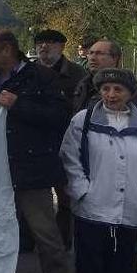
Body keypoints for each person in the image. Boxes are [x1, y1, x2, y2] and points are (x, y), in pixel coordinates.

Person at [0, 28, 72, 273]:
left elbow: (60, 116)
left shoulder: (42, 77)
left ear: (7, 50)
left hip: (31, 172)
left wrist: (19, 105)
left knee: (47, 240)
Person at [60, 68, 137, 273]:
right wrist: (82, 191)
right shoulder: (83, 120)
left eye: (118, 89)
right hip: (92, 212)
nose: (111, 94)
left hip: (130, 213)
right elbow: (70, 157)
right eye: (105, 89)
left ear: (130, 93)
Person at [34, 29, 87, 250]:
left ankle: (64, 241)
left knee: (65, 197)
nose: (43, 47)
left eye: (50, 43)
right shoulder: (27, 73)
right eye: (39, 43)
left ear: (62, 47)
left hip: (64, 144)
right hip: (34, 145)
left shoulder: (77, 75)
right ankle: (29, 241)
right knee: (32, 198)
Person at [73, 39, 137, 113]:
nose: (92, 58)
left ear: (115, 58)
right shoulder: (83, 83)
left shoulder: (127, 89)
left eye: (99, 53)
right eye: (91, 53)